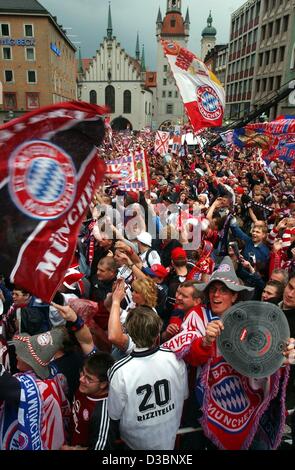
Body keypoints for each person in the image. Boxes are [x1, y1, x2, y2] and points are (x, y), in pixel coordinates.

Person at [166, 257, 293, 450]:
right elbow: (190, 356)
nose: (216, 295)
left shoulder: (249, 320)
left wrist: (281, 356)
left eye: (224, 290)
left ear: (235, 296)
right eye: (213, 290)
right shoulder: (197, 315)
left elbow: (260, 361)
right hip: (202, 405)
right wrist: (206, 341)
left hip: (243, 402)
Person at [107, 306, 188, 450]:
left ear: (129, 333)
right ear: (158, 332)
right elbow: (184, 395)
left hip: (134, 443)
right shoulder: (175, 359)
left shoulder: (120, 371)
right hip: (169, 437)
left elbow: (114, 414)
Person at [0, 328, 70, 450]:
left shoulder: (37, 389)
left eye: (22, 355)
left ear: (32, 363)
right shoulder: (52, 375)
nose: (17, 355)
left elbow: (6, 385)